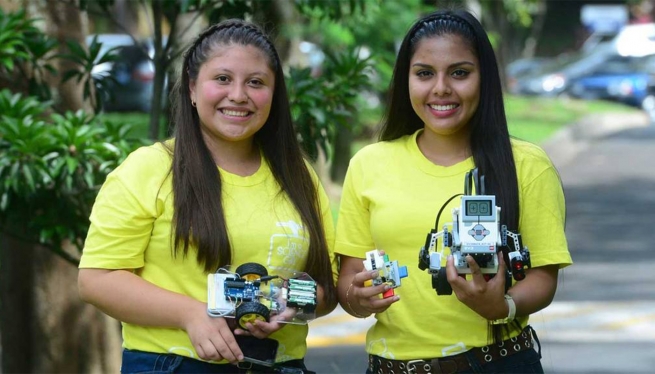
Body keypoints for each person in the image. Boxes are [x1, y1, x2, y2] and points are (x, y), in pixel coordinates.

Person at [78, 19, 337, 373]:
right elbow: (97, 279)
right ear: (192, 89)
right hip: (173, 364)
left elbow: (326, 285)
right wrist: (190, 314)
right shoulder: (148, 169)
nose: (239, 95)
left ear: (274, 95)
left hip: (281, 364)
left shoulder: (298, 176)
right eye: (222, 79)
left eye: (256, 83)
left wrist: (288, 302)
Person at [335, 9, 572, 374]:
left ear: (484, 79)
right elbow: (349, 278)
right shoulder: (369, 163)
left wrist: (502, 306)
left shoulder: (526, 164)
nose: (441, 88)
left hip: (496, 363)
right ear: (406, 80)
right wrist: (359, 297)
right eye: (424, 73)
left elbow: (543, 277)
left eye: (459, 73)